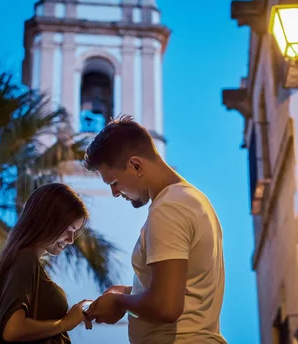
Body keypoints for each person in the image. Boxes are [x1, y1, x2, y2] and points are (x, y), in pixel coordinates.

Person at [83, 115, 228, 344]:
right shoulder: (189, 199)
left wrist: (120, 303)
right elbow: (183, 290)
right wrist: (128, 293)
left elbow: (166, 306)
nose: (115, 193)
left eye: (114, 183)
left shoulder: (169, 208)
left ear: (136, 166)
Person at [0, 183, 93, 343]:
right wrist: (65, 323)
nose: (71, 240)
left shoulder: (25, 260)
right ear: (48, 221)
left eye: (74, 232)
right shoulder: (25, 259)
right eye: (68, 230)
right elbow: (12, 331)